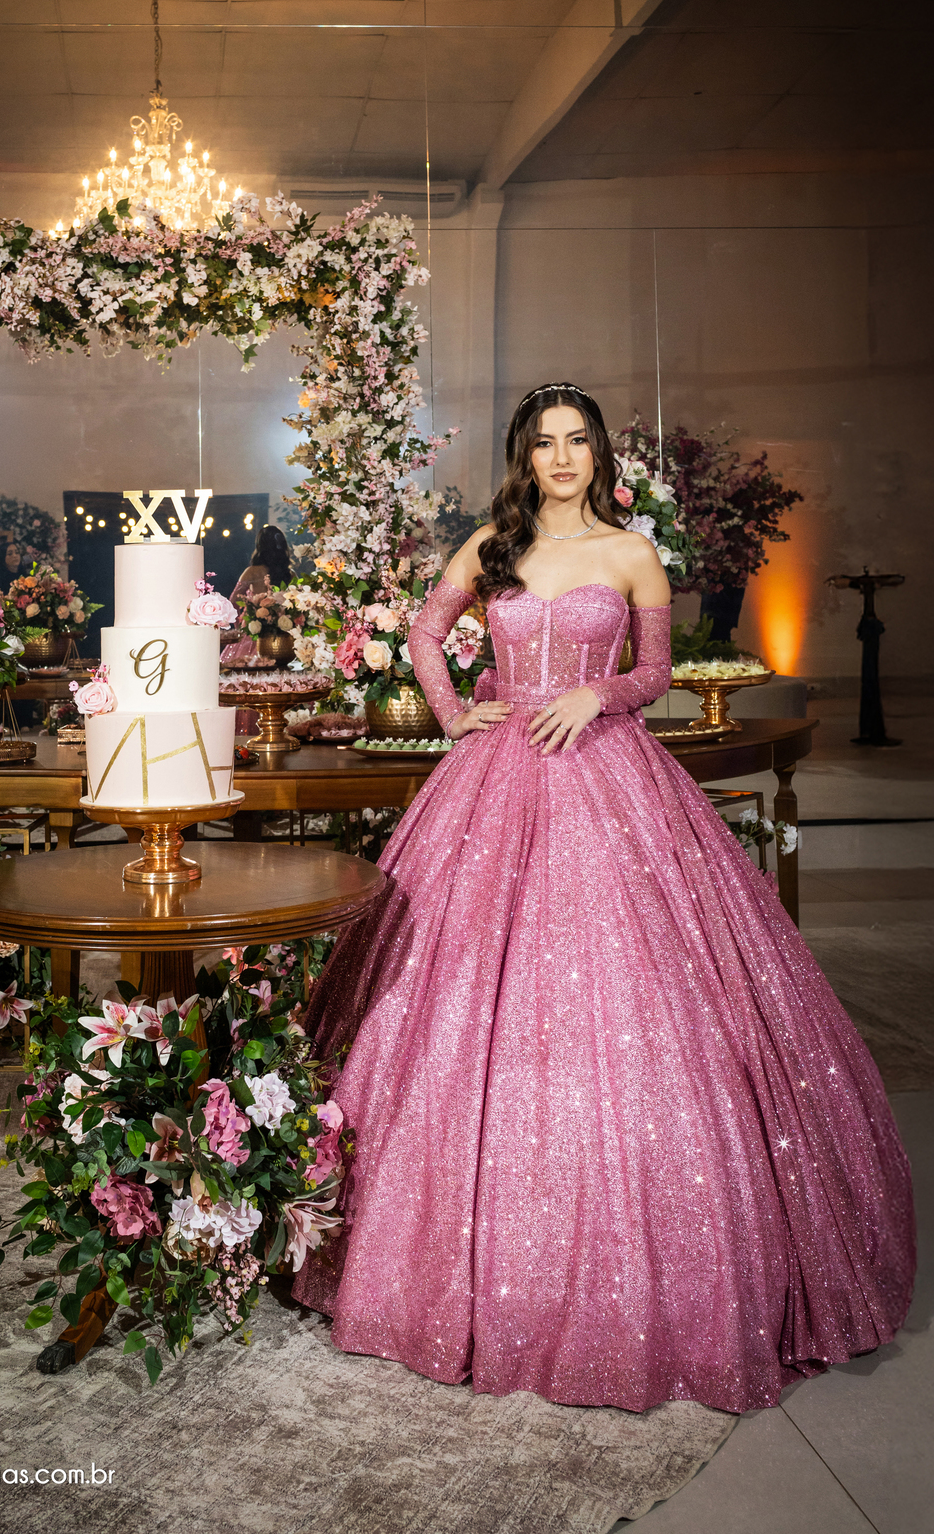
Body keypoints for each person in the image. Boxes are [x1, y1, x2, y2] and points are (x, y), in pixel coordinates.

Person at [293, 382, 914, 1414]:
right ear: (524, 456)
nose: (562, 457)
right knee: (447, 991)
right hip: (496, 776)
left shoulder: (631, 552)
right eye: (545, 442)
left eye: (577, 440)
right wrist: (453, 711)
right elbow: (425, 632)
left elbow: (659, 669)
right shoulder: (492, 545)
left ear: (599, 454)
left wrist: (599, 689)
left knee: (635, 986)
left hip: (606, 769)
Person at [231, 524, 292, 607]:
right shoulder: (290, 574)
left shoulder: (251, 572)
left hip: (257, 615)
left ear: (260, 546)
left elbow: (233, 601)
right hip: (284, 615)